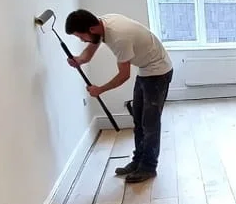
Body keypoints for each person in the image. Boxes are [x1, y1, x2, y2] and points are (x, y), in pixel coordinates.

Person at [65, 10, 173, 183]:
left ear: (92, 29)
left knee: (150, 122)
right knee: (138, 119)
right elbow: (92, 44)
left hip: (158, 71)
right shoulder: (102, 24)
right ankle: (138, 161)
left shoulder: (119, 38)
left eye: (81, 36)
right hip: (146, 69)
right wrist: (80, 59)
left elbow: (124, 76)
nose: (82, 40)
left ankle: (148, 167)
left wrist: (100, 89)